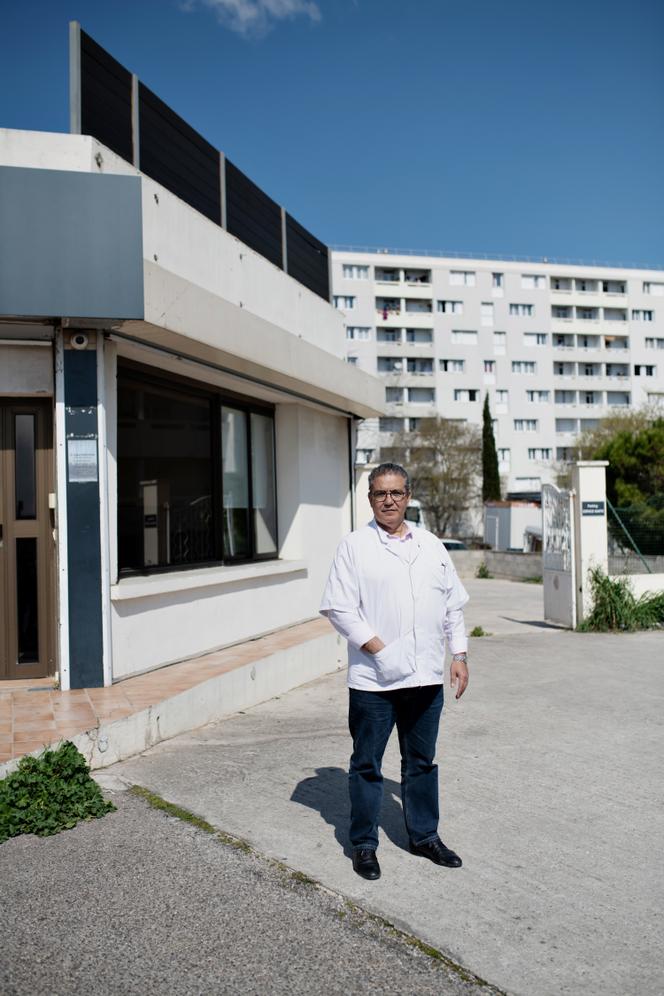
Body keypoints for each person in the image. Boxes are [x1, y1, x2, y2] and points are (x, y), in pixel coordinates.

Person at [320, 462, 469, 881]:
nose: (389, 500)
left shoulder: (432, 545)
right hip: (374, 682)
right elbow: (339, 609)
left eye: (396, 493)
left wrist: (459, 654)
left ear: (408, 496)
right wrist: (380, 651)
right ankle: (364, 844)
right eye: (380, 493)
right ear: (370, 499)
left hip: (425, 679)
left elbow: (452, 606)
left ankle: (425, 837)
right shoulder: (354, 546)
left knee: (421, 762)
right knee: (367, 764)